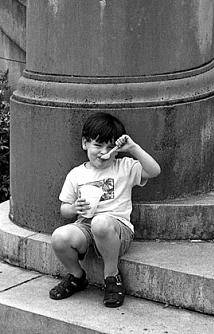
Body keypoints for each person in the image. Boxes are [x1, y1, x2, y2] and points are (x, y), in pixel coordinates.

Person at [49, 111, 161, 307]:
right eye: (97, 145)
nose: (103, 152)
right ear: (85, 143)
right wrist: (75, 207)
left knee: (101, 223)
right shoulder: (77, 174)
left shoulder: (124, 167)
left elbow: (154, 171)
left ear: (117, 150)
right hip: (85, 226)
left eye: (110, 147)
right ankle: (77, 276)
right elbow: (64, 209)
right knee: (59, 237)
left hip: (116, 229)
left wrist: (133, 148)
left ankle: (112, 276)